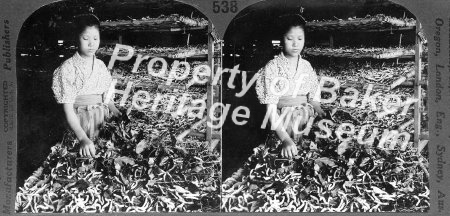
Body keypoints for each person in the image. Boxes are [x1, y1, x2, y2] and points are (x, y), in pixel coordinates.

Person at [255, 14, 325, 159]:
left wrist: (318, 108)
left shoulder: (306, 66)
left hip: (305, 123)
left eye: (300, 39)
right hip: (281, 125)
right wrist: (285, 139)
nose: (295, 44)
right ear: (281, 40)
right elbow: (271, 110)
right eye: (289, 39)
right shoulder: (272, 68)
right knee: (283, 160)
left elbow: (313, 94)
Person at [52, 14, 121, 158]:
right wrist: (82, 138)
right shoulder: (68, 68)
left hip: (101, 121)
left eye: (95, 39)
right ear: (76, 38)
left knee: (103, 157)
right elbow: (68, 109)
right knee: (81, 160)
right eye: (85, 38)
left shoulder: (101, 66)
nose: (91, 44)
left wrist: (116, 112)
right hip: (79, 123)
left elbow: (107, 98)